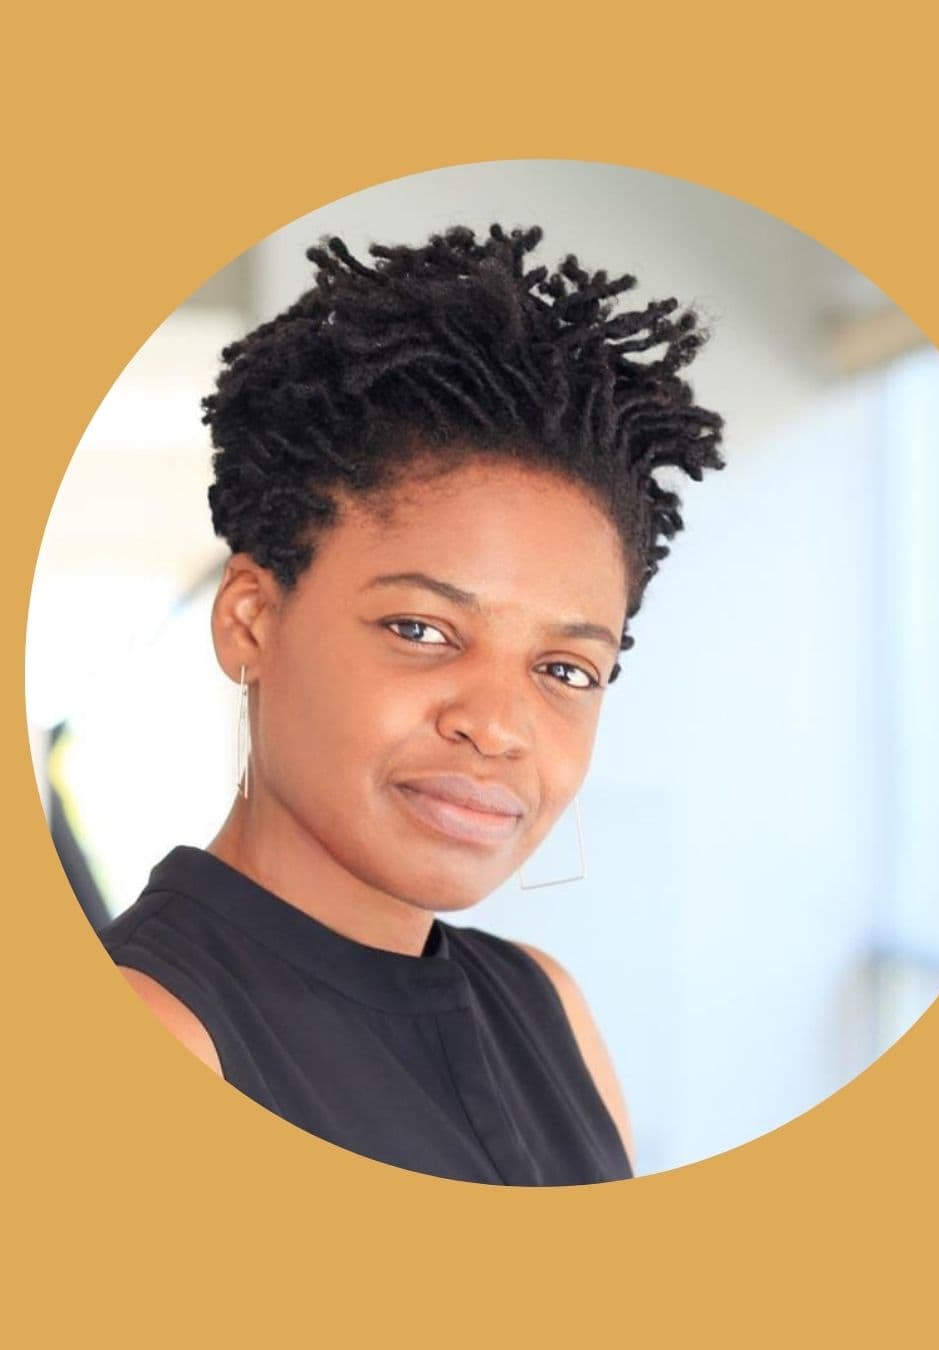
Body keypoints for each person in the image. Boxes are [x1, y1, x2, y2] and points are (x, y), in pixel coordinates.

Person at [99, 222, 725, 1185]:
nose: (499, 724)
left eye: (564, 670)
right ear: (252, 620)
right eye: (423, 631)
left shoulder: (546, 1008)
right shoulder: (162, 1031)